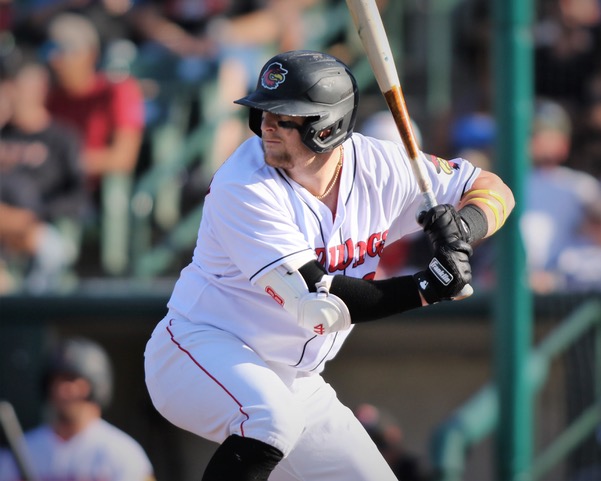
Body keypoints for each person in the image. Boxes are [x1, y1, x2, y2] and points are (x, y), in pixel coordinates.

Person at [144, 50, 515, 481]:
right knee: (269, 421)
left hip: (296, 377)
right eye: (264, 111)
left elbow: (493, 188)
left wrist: (464, 228)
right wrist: (425, 287)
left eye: (285, 117)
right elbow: (317, 304)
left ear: (328, 127)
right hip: (199, 350)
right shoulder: (243, 185)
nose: (266, 125)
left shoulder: (384, 166)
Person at [0, 336, 155, 481]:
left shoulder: (124, 452)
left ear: (97, 385)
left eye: (72, 380)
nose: (63, 389)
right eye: (57, 381)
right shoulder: (22, 451)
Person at [0, 53, 87, 294]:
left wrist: (32, 216)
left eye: (16, 84)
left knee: (49, 250)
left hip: (39, 227)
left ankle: (30, 322)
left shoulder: (62, 137)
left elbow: (78, 198)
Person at [44, 12, 145, 196]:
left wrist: (59, 162)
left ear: (90, 55)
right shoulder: (49, 95)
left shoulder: (117, 90)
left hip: (96, 194)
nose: (55, 60)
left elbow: (123, 157)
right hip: (51, 185)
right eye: (49, 49)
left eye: (63, 50)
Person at [522, 98, 601, 293]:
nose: (533, 140)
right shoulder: (499, 182)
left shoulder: (580, 186)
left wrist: (556, 277)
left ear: (563, 142)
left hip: (562, 290)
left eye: (539, 134)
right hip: (512, 284)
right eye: (530, 134)